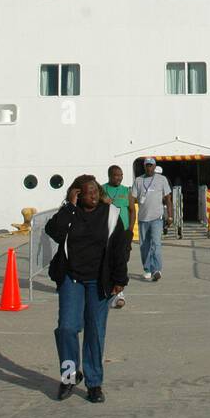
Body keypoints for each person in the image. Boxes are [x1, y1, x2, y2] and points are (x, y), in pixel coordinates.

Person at [46, 175, 128, 404]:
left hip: (99, 281)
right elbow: (53, 230)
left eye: (95, 191)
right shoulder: (71, 214)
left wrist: (120, 278)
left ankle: (94, 383)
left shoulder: (110, 214)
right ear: (77, 193)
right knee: (66, 328)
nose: (92, 196)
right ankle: (70, 376)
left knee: (94, 331)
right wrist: (69, 206)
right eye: (86, 192)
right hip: (72, 279)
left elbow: (120, 248)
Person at [130, 158, 172, 282]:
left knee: (156, 244)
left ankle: (157, 269)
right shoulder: (138, 180)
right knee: (144, 246)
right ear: (144, 167)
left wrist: (170, 215)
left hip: (157, 218)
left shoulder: (162, 179)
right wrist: (131, 212)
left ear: (155, 167)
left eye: (151, 166)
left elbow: (168, 198)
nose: (149, 168)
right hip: (143, 218)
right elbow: (132, 198)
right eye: (147, 166)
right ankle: (147, 269)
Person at [103, 165, 133, 309]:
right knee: (108, 261)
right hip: (107, 232)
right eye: (116, 175)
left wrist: (130, 229)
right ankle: (110, 291)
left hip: (123, 233)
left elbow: (132, 210)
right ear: (110, 175)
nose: (119, 177)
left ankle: (119, 292)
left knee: (122, 260)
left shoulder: (126, 191)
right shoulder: (102, 190)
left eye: (121, 175)